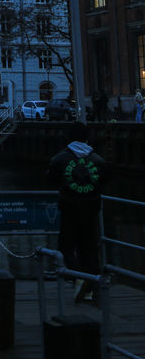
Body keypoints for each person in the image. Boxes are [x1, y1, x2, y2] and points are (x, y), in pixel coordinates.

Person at [46, 121, 106, 302]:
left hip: (70, 209)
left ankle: (78, 279)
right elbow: (104, 180)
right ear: (87, 137)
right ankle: (91, 286)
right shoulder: (98, 160)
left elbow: (51, 180)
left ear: (69, 138)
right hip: (91, 210)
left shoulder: (59, 160)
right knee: (89, 248)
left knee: (65, 248)